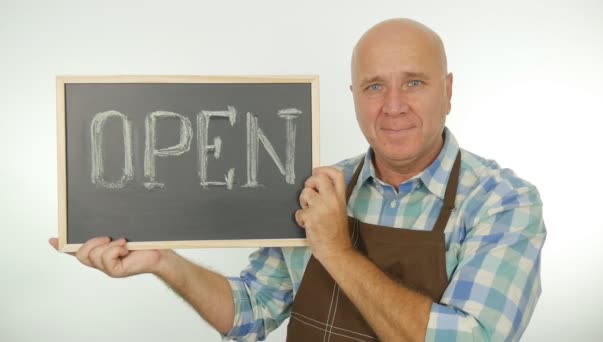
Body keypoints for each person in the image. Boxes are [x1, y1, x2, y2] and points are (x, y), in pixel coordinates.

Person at [50, 18, 546, 341]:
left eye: (414, 82)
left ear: (449, 89)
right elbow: (251, 311)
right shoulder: (316, 189)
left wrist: (336, 250)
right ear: (354, 94)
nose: (393, 105)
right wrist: (163, 261)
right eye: (375, 86)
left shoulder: (502, 203)